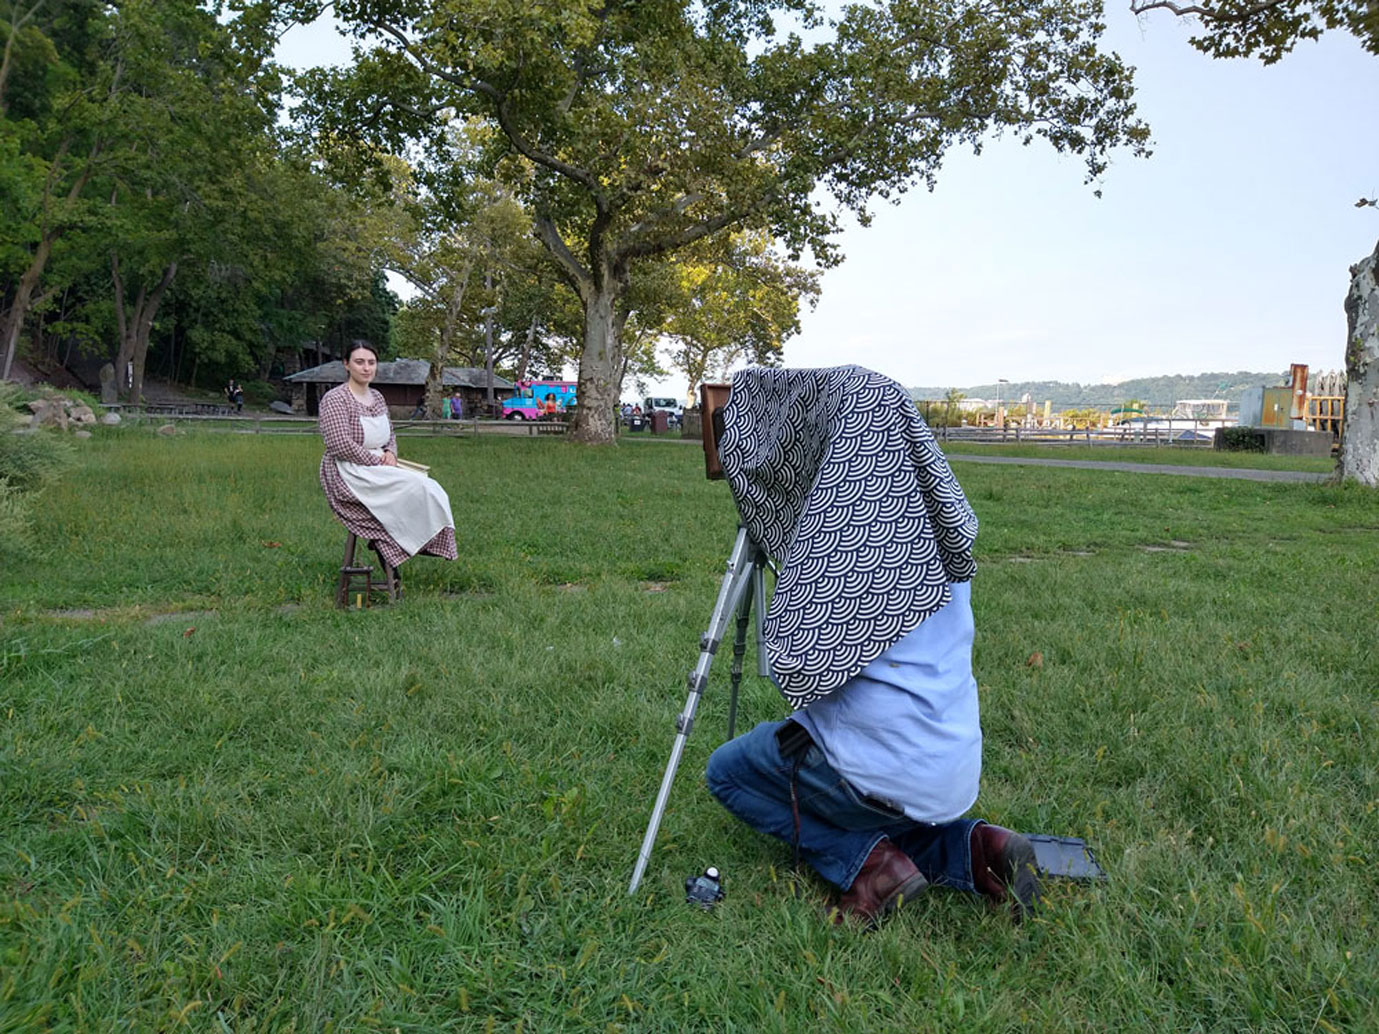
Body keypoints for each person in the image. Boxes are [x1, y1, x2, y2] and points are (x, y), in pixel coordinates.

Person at [703, 366, 1040, 928]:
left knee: (729, 771)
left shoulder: (843, 552)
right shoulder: (938, 531)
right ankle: (978, 849)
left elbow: (794, 668)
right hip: (952, 766)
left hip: (878, 770)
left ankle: (872, 867)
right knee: (883, 789)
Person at [318, 342, 457, 570]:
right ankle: (393, 540)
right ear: (346, 365)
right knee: (417, 487)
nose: (366, 368)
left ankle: (416, 542)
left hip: (381, 463)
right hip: (349, 472)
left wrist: (391, 453)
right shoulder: (336, 399)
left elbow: (390, 433)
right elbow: (339, 444)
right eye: (359, 362)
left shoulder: (378, 397)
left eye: (371, 363)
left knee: (430, 487)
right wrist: (377, 460)